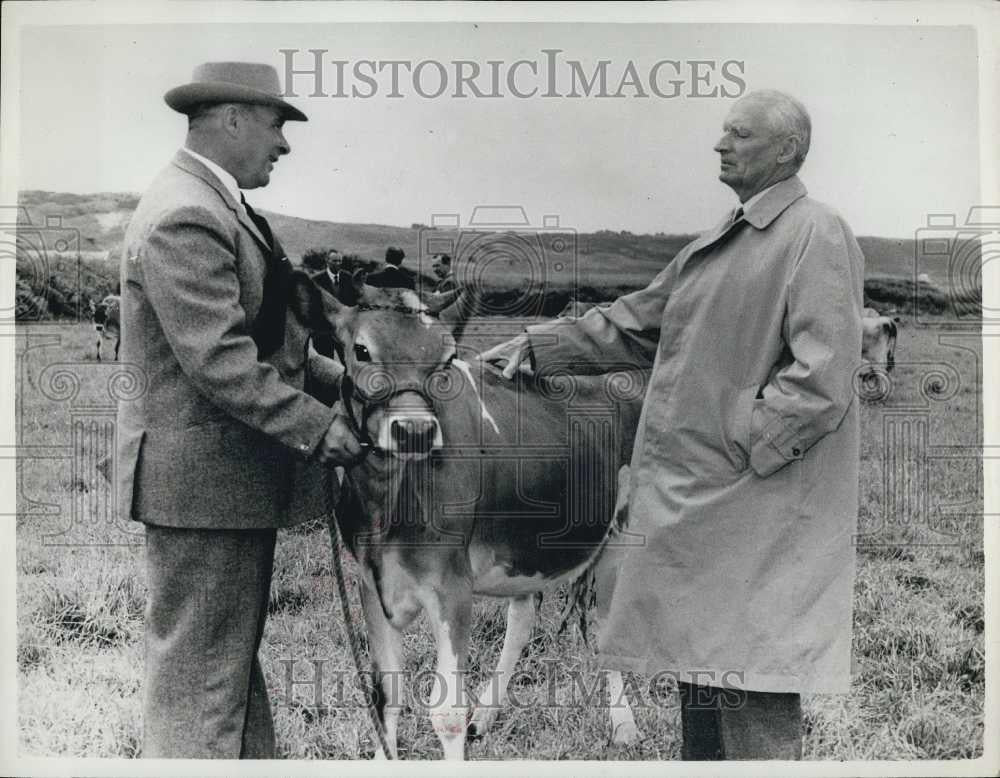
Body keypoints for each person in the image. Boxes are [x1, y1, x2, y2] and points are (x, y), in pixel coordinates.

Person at [480, 90, 863, 760]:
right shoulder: (720, 242)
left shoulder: (814, 232)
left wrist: (743, 444)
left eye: (738, 134)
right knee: (703, 675)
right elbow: (636, 321)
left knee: (752, 683)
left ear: (787, 150)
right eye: (722, 131)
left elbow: (824, 377)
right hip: (707, 507)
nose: (720, 144)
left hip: (758, 505)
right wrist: (540, 348)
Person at [116, 61, 363, 758]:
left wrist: (359, 387)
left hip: (219, 489)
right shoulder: (187, 214)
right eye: (277, 126)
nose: (284, 145)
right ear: (232, 119)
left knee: (220, 670)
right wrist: (322, 429)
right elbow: (221, 362)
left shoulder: (215, 204)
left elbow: (272, 348)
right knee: (203, 682)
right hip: (205, 492)